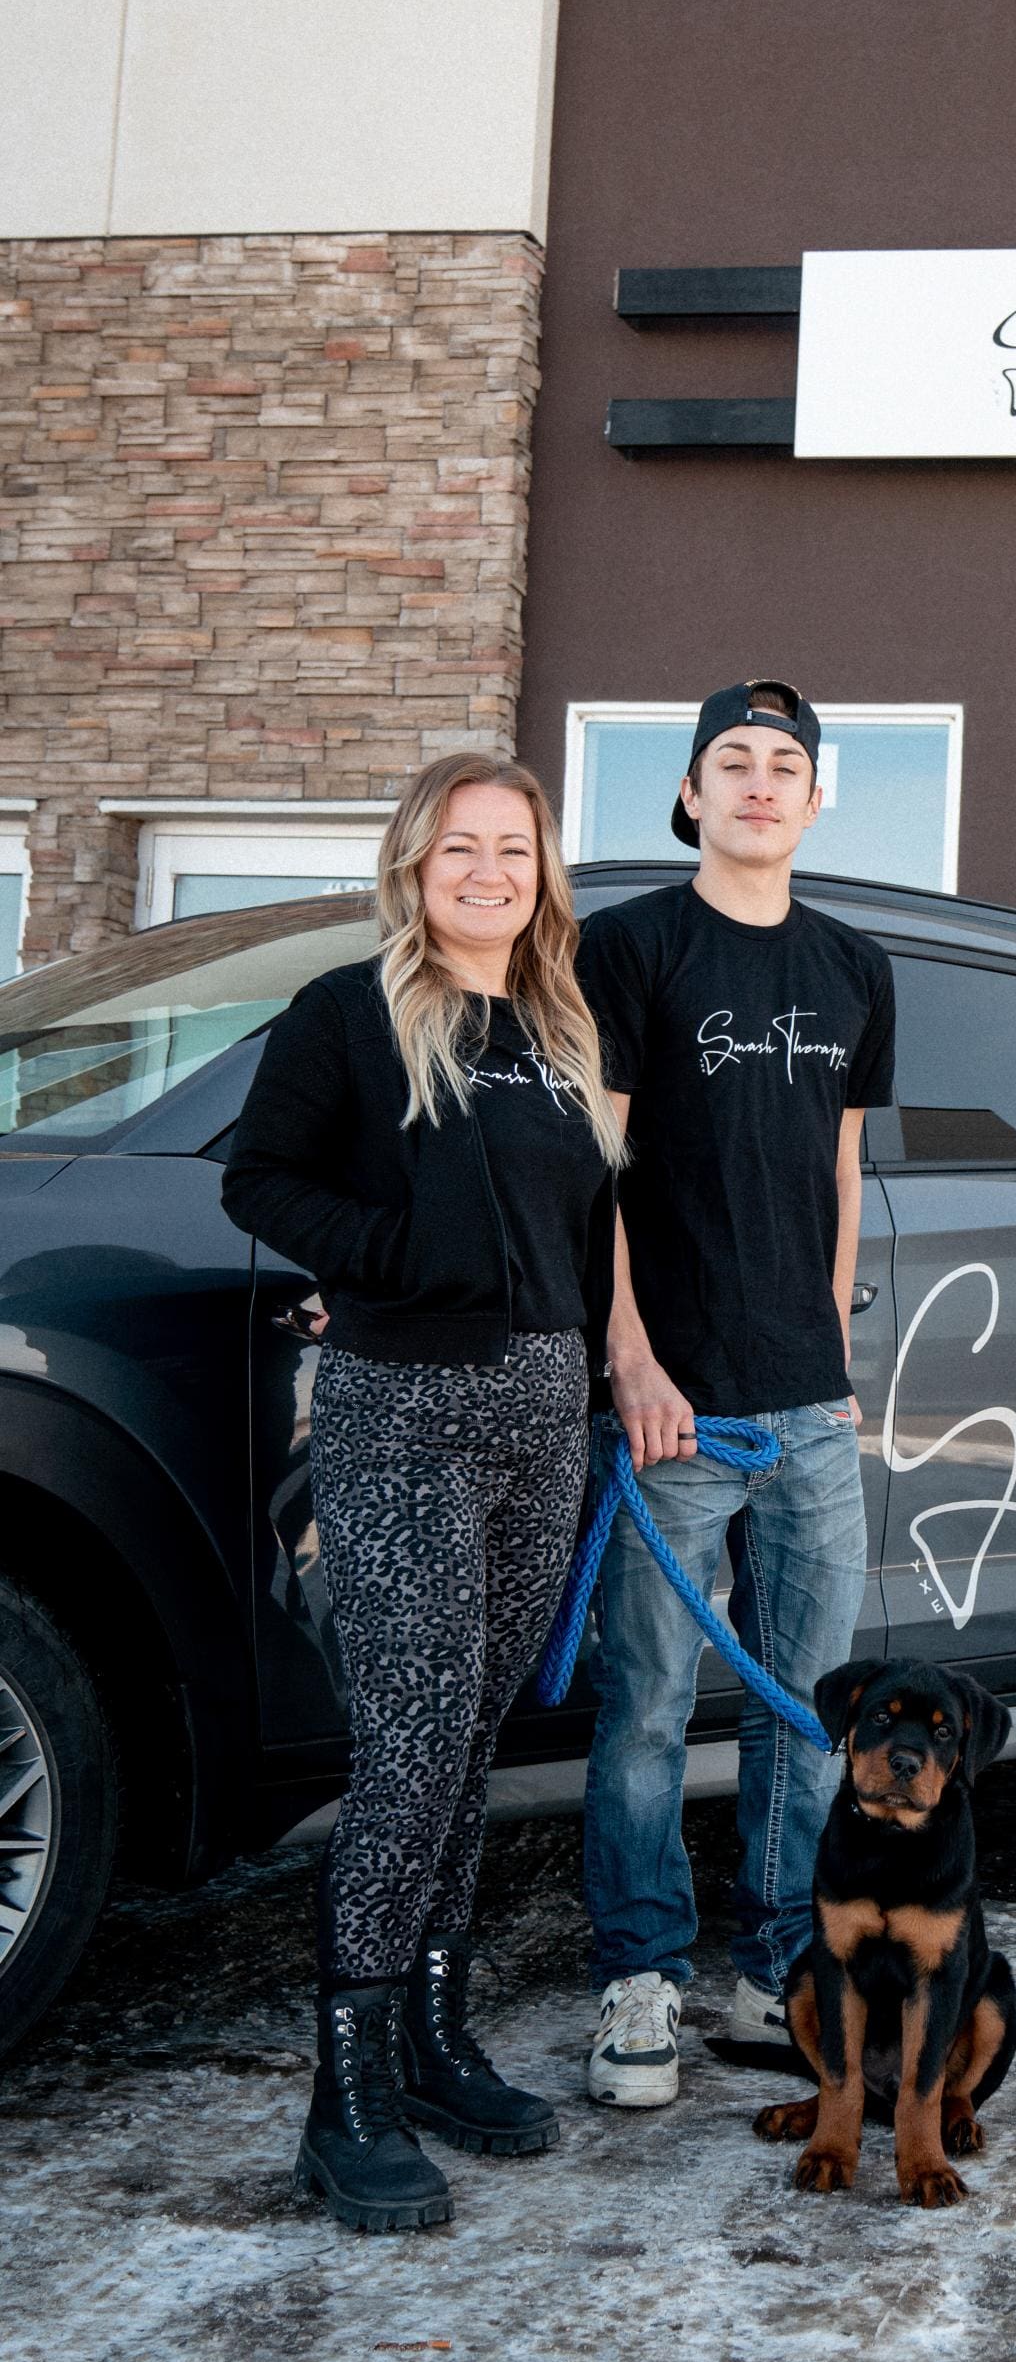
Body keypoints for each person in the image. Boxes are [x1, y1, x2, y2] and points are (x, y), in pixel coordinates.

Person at [223, 753, 623, 2230]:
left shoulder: (558, 1024)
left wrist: (598, 1363)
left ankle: (436, 2037)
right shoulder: (347, 1013)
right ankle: (345, 2095)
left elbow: (590, 1223)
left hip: (538, 1417)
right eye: (460, 846)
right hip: (401, 1412)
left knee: (470, 1743)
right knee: (404, 1751)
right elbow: (259, 1181)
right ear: (416, 862)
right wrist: (388, 1262)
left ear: (540, 872)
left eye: (512, 848)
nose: (487, 871)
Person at [573, 678, 895, 2108]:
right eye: (733, 761)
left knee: (804, 1706)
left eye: (786, 764)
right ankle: (637, 1979)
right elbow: (593, 1173)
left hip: (808, 1403)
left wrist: (828, 1342)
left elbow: (837, 1168)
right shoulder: (629, 947)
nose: (760, 783)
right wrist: (630, 1361)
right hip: (673, 1405)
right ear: (690, 795)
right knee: (645, 1703)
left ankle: (780, 1963)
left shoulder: (853, 966)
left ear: (814, 798)